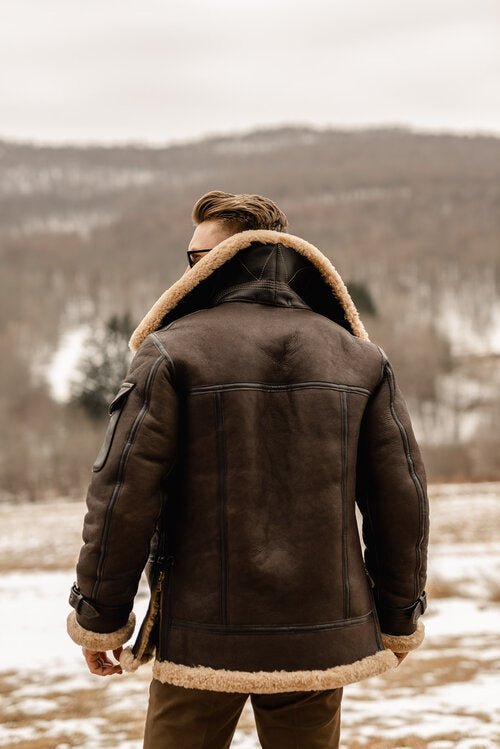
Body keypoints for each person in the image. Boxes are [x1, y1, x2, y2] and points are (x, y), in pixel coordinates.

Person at [67, 190, 429, 748]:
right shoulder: (358, 358)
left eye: (199, 257)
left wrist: (99, 618)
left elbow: (121, 497)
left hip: (201, 638)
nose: (190, 271)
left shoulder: (171, 352)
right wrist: (399, 618)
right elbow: (402, 500)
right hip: (317, 636)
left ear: (233, 257)